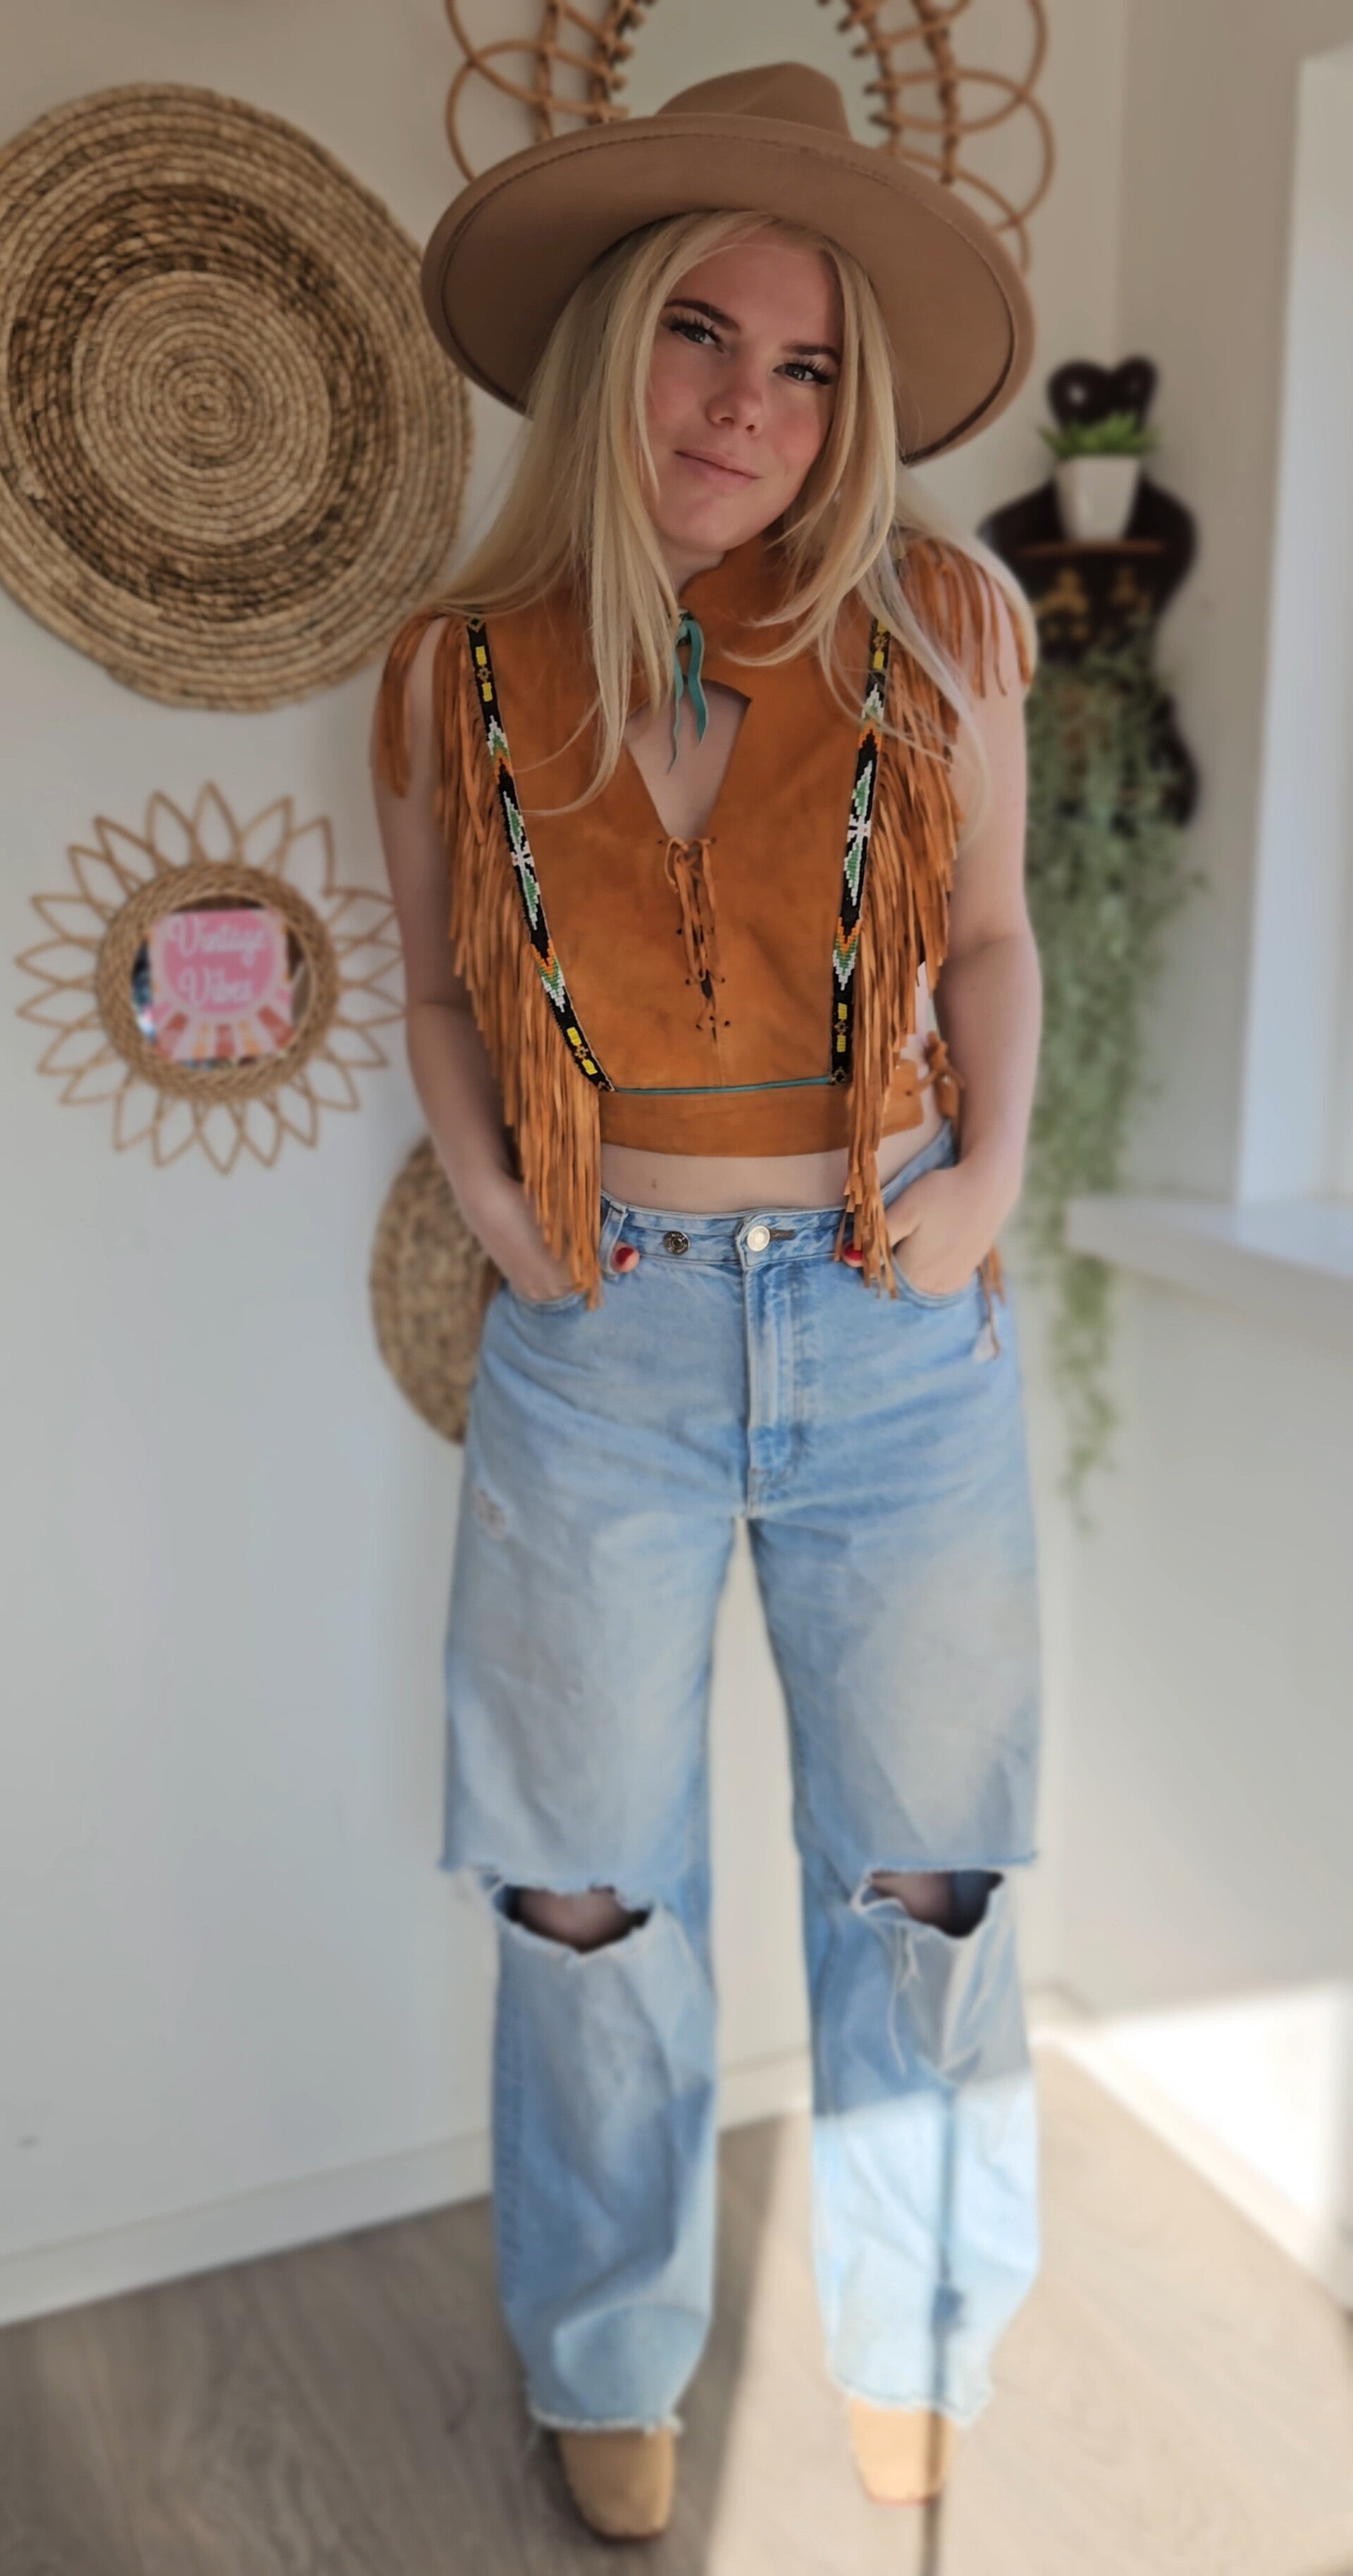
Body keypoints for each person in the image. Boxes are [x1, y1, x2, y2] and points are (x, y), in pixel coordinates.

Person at [373, 62, 1042, 2544]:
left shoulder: (944, 626)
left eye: (809, 368)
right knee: (584, 1890)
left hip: (892, 1318)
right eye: (701, 336)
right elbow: (437, 986)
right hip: (602, 1339)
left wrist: (987, 1184)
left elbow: (994, 943)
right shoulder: (452, 670)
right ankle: (608, 2348)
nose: (749, 408)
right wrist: (494, 1196)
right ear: (609, 346)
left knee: (929, 1874)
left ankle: (919, 2327)